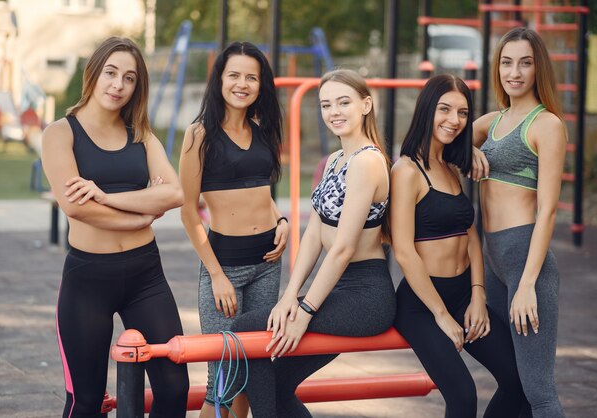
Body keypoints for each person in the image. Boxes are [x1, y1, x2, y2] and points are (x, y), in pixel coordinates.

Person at [231, 68, 396, 417]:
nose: (334, 111)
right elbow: (314, 235)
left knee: (244, 329)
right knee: (273, 382)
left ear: (366, 105)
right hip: (337, 290)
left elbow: (343, 248)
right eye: (326, 105)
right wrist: (290, 295)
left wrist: (305, 312)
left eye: (343, 102)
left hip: (366, 295)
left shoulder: (367, 161)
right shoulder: (335, 160)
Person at [41, 37, 189, 418]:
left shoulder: (140, 134)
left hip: (146, 276)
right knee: (87, 402)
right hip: (88, 279)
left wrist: (104, 196)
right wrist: (141, 214)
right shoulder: (61, 134)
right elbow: (76, 207)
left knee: (174, 390)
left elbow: (174, 194)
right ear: (94, 73)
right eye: (111, 73)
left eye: (129, 78)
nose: (118, 85)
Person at [392, 74, 525, 418]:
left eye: (463, 113)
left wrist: (478, 295)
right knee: (463, 397)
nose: (454, 120)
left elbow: (470, 236)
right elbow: (404, 251)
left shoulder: (452, 166)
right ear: (426, 110)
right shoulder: (406, 171)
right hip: (422, 306)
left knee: (519, 381)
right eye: (445, 109)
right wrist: (441, 315)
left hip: (465, 294)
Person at [178, 41, 288, 417]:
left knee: (250, 371)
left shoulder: (264, 131)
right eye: (234, 75)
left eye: (251, 77)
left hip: (268, 264)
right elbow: (189, 213)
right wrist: (217, 277)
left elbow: (262, 193)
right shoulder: (199, 135)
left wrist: (283, 221)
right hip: (225, 265)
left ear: (261, 84)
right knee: (221, 378)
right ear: (220, 80)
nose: (242, 84)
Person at [472, 27, 567, 417]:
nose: (515, 72)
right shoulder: (491, 122)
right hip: (493, 261)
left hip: (527, 262)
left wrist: (527, 282)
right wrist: (470, 153)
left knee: (538, 389)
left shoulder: (547, 125)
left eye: (525, 63)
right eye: (507, 62)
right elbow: (437, 136)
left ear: (537, 69)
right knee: (512, 382)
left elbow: (547, 209)